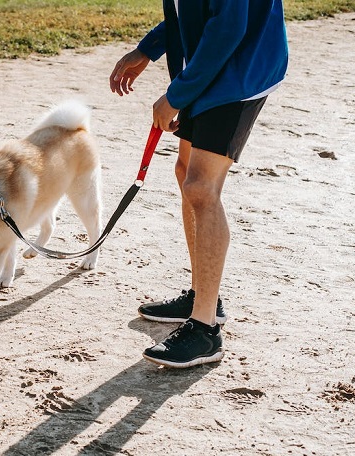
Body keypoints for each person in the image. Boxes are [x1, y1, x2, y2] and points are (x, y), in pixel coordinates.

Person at [109, 1, 289, 368]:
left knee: (201, 188)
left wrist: (177, 95)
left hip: (241, 70)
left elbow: (229, 27)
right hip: (211, 64)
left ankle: (205, 329)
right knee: (185, 171)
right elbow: (190, 8)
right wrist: (147, 49)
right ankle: (202, 297)